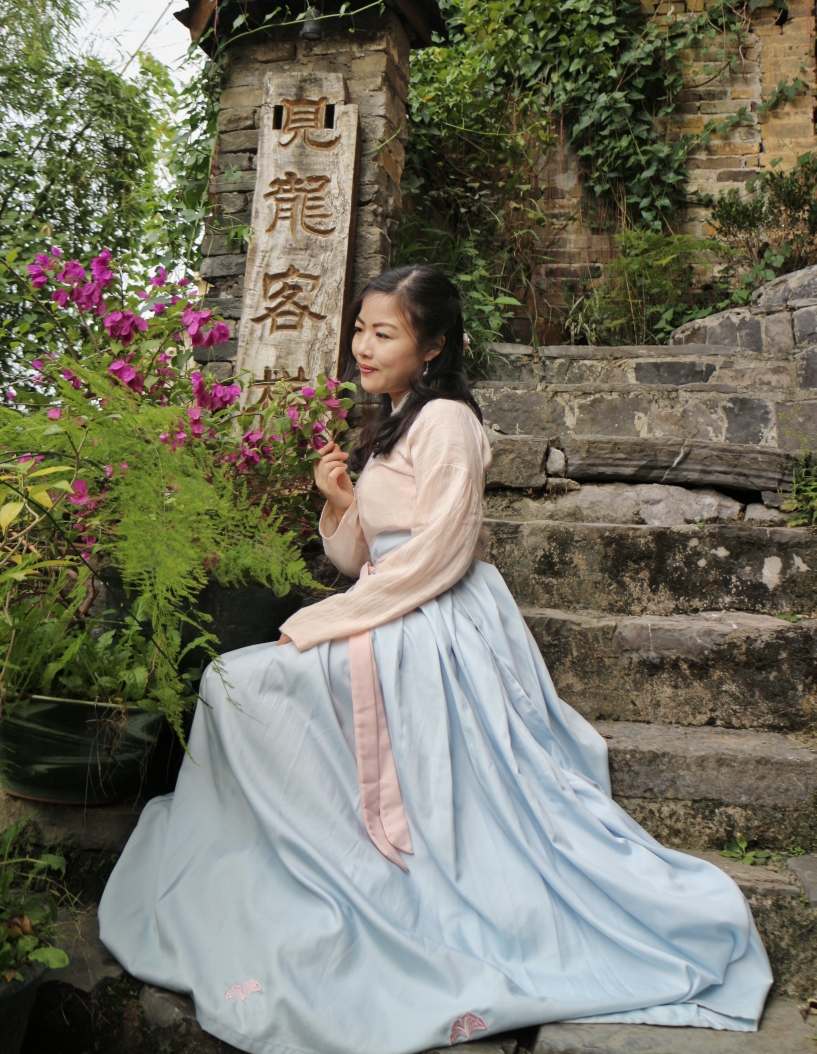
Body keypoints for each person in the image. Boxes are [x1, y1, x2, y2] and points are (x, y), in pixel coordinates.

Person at [99, 264, 772, 1054]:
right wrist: (341, 501)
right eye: (360, 329)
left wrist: (329, 618)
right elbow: (363, 556)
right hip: (393, 599)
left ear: (433, 346)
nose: (362, 346)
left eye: (383, 333)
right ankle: (285, 859)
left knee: (237, 681)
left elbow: (439, 552)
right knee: (232, 682)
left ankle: (330, 863)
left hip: (433, 616)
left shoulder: (446, 419)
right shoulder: (395, 420)